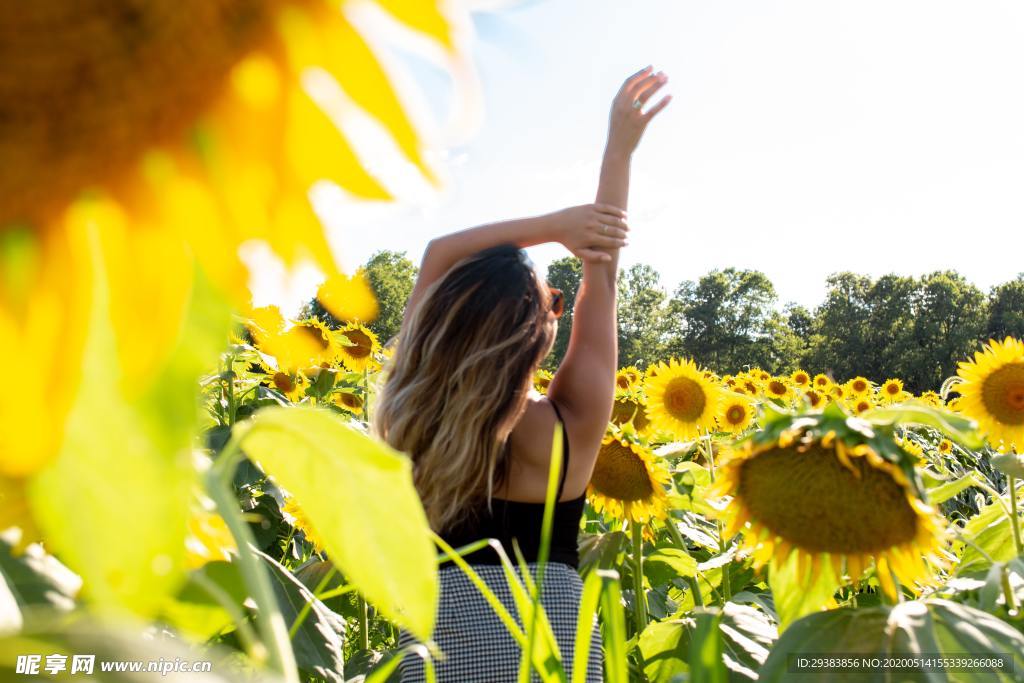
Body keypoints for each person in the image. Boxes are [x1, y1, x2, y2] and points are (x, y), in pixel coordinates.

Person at [370, 66, 671, 682]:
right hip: (556, 655)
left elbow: (439, 255)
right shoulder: (568, 431)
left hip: (440, 659)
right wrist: (618, 151)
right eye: (552, 301)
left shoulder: (408, 417)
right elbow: (604, 277)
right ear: (536, 329)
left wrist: (549, 226)